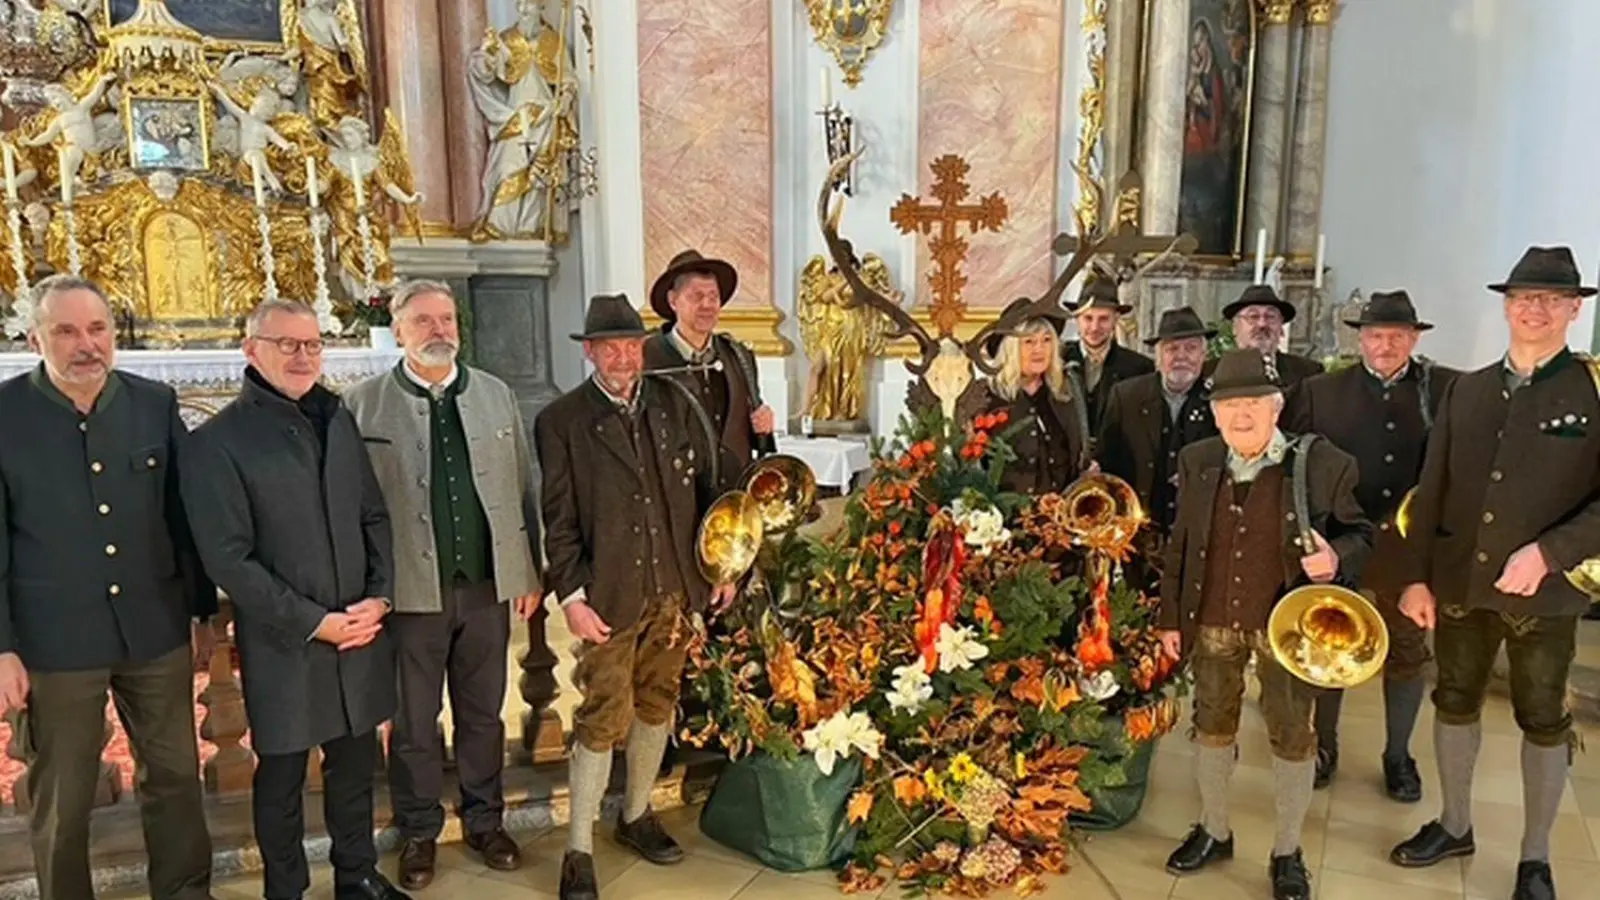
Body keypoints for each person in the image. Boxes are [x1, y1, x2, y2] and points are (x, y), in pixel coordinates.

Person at [1389, 246, 1600, 900]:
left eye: (1548, 299)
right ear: (1506, 306)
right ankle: (1454, 823)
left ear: (1573, 309)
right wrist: (1415, 576)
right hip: (1458, 583)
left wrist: (1550, 552)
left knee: (1543, 718)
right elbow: (1431, 486)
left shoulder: (1590, 391)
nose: (1533, 309)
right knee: (1454, 699)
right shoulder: (1468, 388)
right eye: (1521, 297)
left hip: (1548, 593)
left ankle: (1535, 859)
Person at [183, 299, 409, 900]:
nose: (303, 356)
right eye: (287, 344)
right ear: (251, 348)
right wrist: (316, 623)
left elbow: (372, 515)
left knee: (354, 767)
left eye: (312, 344)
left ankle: (356, 877)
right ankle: (286, 890)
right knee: (282, 777)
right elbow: (229, 558)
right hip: (285, 640)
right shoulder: (217, 442)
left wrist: (379, 598)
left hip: (357, 628)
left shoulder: (336, 416)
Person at [0, 275, 215, 900]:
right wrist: (3, 646)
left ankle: (184, 891)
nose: (84, 345)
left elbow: (182, 516)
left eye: (96, 329)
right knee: (63, 791)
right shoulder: (6, 414)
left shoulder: (153, 402)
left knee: (175, 776)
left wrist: (201, 610)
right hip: (55, 640)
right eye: (66, 331)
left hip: (154, 626)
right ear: (36, 336)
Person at [343, 280, 550, 889]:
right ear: (399, 330)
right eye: (424, 320)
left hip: (486, 584)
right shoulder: (363, 403)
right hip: (409, 591)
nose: (439, 329)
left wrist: (528, 567)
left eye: (447, 318)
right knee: (413, 720)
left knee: (484, 713)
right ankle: (418, 832)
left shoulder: (494, 394)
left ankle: (485, 821)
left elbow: (521, 486)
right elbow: (351, 505)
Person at [536, 294, 738, 900]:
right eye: (610, 346)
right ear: (591, 352)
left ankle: (635, 815)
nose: (624, 356)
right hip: (610, 593)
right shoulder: (561, 421)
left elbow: (708, 490)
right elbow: (558, 519)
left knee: (658, 702)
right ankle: (577, 850)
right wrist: (571, 595)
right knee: (603, 713)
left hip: (676, 587)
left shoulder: (675, 405)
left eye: (631, 345)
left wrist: (720, 565)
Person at [1157, 349, 1371, 900]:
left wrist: (1337, 559)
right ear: (1215, 409)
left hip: (1288, 624)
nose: (1241, 414)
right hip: (1211, 618)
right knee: (1210, 724)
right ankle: (1215, 828)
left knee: (1293, 734)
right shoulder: (1199, 458)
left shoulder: (1322, 463)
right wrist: (1169, 618)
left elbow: (1361, 535)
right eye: (1229, 403)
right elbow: (1180, 544)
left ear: (1276, 406)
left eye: (1253, 402)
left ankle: (1288, 849)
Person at [1283, 290, 1458, 799]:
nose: (1386, 345)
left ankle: (1398, 755)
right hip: (1339, 547)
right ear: (1359, 338)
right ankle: (1325, 745)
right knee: (1329, 647)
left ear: (1415, 338)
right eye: (1376, 335)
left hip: (1409, 553)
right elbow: (1294, 465)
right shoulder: (1319, 390)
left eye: (1397, 336)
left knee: (1407, 653)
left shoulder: (1445, 389)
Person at [644, 249, 775, 490]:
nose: (707, 305)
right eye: (696, 296)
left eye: (713, 296)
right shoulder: (648, 359)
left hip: (733, 498)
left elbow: (752, 431)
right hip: (676, 500)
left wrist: (762, 424)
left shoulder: (738, 356)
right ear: (673, 301)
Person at [1097, 306, 1219, 537]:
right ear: (1158, 356)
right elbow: (1107, 460)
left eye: (1191, 348)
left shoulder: (1219, 400)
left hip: (1198, 529)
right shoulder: (1126, 396)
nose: (1181, 356)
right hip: (1136, 531)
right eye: (1172, 349)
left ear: (1204, 355)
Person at [975, 297, 1085, 494]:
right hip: (1006, 519)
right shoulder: (985, 396)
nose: (1039, 349)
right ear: (1011, 348)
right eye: (1029, 341)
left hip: (1061, 515)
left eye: (1046, 340)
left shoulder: (1066, 391)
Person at [1062, 277, 1154, 432]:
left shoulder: (1139, 368)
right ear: (1077, 318)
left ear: (1116, 319)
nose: (1094, 327)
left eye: (1103, 319)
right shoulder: (1058, 359)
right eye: (1088, 318)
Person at [1206, 285, 1323, 390]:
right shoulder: (1210, 373)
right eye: (1253, 316)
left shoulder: (1309, 374)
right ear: (1235, 328)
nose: (1262, 324)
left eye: (1270, 316)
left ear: (1281, 327)